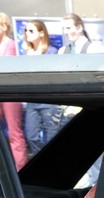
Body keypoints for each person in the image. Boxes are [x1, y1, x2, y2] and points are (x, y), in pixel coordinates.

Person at [23, 20, 63, 157]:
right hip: (32, 100)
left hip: (49, 100)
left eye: (31, 31)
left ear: (41, 33)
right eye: (25, 30)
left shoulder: (51, 51)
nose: (27, 33)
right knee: (31, 136)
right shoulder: (27, 53)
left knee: (53, 137)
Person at [0, 12, 29, 170]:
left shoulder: (10, 44)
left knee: (14, 132)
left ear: (4, 27)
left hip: (9, 92)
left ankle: (21, 169)